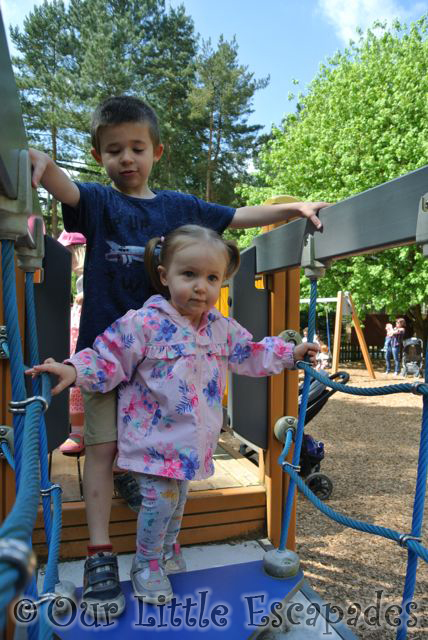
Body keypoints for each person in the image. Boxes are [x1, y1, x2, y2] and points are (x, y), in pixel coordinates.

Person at [28, 95, 328, 615]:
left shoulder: (181, 216)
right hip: (114, 346)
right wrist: (35, 161)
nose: (127, 158)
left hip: (169, 372)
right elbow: (59, 182)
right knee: (100, 449)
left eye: (137, 148)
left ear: (157, 151)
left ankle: (159, 544)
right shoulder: (100, 202)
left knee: (168, 476)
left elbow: (238, 218)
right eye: (114, 149)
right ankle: (103, 550)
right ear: (100, 155)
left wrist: (293, 208)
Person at [57, 230, 87, 454]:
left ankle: (81, 432)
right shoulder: (79, 278)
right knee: (74, 383)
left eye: (69, 253)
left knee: (83, 384)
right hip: (77, 334)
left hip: (88, 337)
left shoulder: (94, 276)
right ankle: (76, 431)